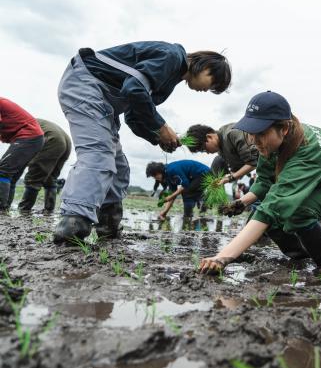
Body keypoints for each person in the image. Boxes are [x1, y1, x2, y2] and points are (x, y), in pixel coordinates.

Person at [53, 41, 231, 242]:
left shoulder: (170, 79)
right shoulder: (173, 57)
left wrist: (157, 137)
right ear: (206, 67)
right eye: (212, 84)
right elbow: (133, 88)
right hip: (87, 85)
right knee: (98, 153)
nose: (207, 90)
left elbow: (133, 116)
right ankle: (73, 224)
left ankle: (108, 227)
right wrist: (162, 127)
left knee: (119, 167)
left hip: (104, 100)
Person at [198, 91, 321, 273]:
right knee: (278, 215)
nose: (255, 141)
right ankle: (300, 257)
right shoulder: (271, 144)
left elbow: (273, 208)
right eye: (250, 134)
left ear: (284, 129)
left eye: (260, 133)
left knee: (296, 212)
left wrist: (223, 257)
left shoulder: (305, 151)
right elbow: (264, 180)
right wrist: (242, 202)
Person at [18, 119, 72, 213]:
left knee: (33, 177)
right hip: (66, 141)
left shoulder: (20, 124)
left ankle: (24, 209)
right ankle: (49, 209)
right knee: (51, 178)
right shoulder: (32, 121)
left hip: (53, 138)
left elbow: (25, 147)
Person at [0, 98, 44, 212]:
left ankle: (1, 208)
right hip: (33, 138)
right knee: (11, 176)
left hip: (28, 136)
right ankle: (5, 208)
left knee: (3, 171)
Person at [184, 122, 258, 185]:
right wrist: (225, 178)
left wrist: (231, 177)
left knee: (217, 160)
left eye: (204, 149)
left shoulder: (232, 134)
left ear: (209, 137)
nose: (207, 152)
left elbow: (254, 162)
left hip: (266, 163)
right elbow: (236, 169)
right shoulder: (220, 150)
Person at [146, 160, 211, 220]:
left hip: (204, 174)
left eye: (155, 176)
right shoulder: (167, 176)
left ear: (158, 172)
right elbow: (173, 194)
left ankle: (188, 216)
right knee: (188, 192)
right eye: (153, 177)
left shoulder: (172, 170)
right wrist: (164, 212)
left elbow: (185, 185)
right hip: (195, 177)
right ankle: (196, 213)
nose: (155, 179)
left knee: (187, 192)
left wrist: (170, 197)